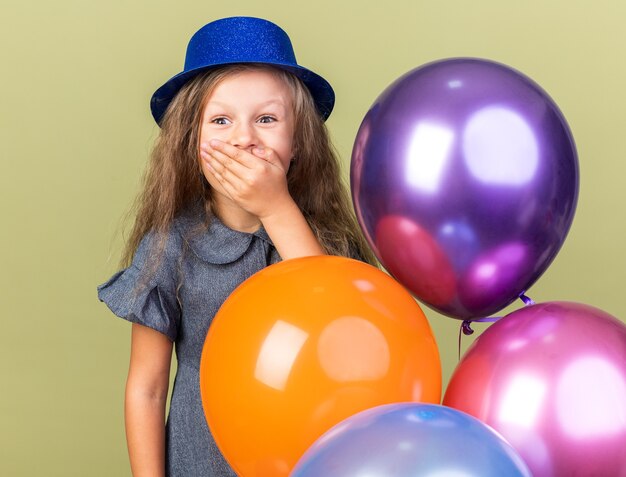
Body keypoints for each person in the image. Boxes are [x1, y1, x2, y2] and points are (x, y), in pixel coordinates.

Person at [97, 16, 377, 477]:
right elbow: (146, 388)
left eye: (266, 119)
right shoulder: (171, 246)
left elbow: (339, 328)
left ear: (298, 141)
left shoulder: (328, 245)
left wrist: (276, 209)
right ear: (191, 142)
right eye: (221, 119)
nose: (244, 138)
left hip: (308, 461)